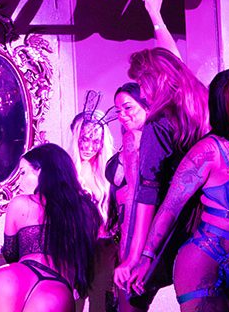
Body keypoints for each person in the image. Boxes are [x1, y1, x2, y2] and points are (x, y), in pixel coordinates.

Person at [127, 69, 229, 311]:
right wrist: (145, 257)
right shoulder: (208, 151)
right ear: (222, 111)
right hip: (203, 259)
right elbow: (170, 207)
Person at [113, 0, 210, 311]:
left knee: (132, 294)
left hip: (166, 228)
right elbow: (175, 63)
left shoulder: (158, 126)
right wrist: (156, 16)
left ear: (156, 81)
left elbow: (147, 195)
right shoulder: (199, 108)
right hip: (202, 222)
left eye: (142, 84)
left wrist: (135, 255)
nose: (142, 91)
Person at [0, 143, 101, 312]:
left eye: (23, 173)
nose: (19, 181)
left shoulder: (19, 204)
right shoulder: (85, 209)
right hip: (55, 290)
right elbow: (86, 260)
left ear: (41, 171)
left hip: (11, 279)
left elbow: (10, 254)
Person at [104, 82, 149, 311]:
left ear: (147, 106)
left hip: (144, 240)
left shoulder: (153, 143)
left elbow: (138, 200)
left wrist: (134, 256)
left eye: (128, 107)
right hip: (125, 238)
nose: (122, 115)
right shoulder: (128, 140)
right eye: (118, 110)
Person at [68, 101, 116, 312]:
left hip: (103, 248)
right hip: (73, 249)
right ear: (76, 137)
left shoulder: (107, 172)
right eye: (84, 139)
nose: (89, 146)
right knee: (72, 304)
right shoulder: (66, 171)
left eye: (95, 141)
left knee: (101, 306)